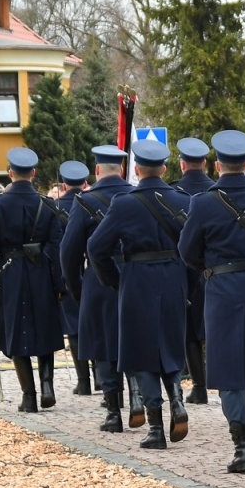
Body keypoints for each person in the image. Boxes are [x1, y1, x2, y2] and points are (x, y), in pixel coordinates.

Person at [87, 139, 193, 447]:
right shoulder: (185, 201)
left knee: (141, 353)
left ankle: (156, 429)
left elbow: (96, 248)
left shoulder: (124, 203)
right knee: (170, 345)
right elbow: (195, 250)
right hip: (173, 278)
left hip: (136, 282)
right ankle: (177, 398)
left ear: (135, 169)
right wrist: (188, 284)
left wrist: (115, 281)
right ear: (163, 168)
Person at [180, 130, 245, 472]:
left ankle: (240, 446)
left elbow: (187, 251)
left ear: (217, 165)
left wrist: (210, 266)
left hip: (220, 290)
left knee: (229, 369)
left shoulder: (203, 202)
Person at [0, 147, 66, 412]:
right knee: (44, 326)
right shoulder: (47, 204)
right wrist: (59, 283)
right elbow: (56, 247)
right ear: (34, 173)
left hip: (10, 273)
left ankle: (29, 396)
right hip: (41, 271)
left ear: (10, 174)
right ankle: (48, 384)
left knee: (16, 331)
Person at [60, 146, 133, 430]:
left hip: (98, 281)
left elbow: (69, 252)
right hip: (135, 275)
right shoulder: (136, 195)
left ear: (98, 171)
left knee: (104, 345)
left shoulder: (86, 200)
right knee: (133, 340)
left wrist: (78, 288)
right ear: (123, 170)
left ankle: (114, 412)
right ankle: (139, 399)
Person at [173, 136, 215, 404]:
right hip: (214, 268)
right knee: (215, 326)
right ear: (206, 164)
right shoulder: (216, 191)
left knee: (189, 329)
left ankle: (199, 386)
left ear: (182, 165)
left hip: (184, 267)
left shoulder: (172, 192)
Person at [57, 161, 93, 395]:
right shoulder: (93, 202)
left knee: (74, 328)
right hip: (93, 270)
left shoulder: (56, 206)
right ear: (86, 183)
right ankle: (101, 376)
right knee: (97, 324)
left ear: (63, 185)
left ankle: (83, 381)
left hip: (70, 270)